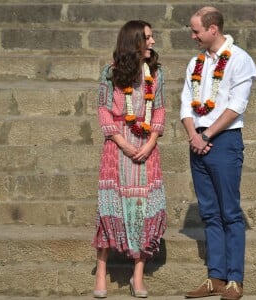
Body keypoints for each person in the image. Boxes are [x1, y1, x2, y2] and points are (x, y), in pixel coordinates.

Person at [180, 6, 256, 300]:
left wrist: (207, 135)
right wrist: (193, 135)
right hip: (197, 139)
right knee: (209, 212)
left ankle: (234, 279)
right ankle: (215, 277)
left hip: (223, 141)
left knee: (229, 212)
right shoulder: (196, 62)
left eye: (196, 30)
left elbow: (237, 105)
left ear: (213, 29)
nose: (192, 36)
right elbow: (186, 101)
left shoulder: (239, 60)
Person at [91, 20, 166, 298]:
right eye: (147, 37)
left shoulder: (156, 73)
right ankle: (101, 271)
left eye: (152, 37)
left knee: (144, 208)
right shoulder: (109, 74)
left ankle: (137, 274)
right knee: (109, 208)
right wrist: (121, 141)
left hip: (147, 145)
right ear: (133, 41)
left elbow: (159, 110)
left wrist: (151, 142)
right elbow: (103, 110)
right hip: (117, 145)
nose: (153, 42)